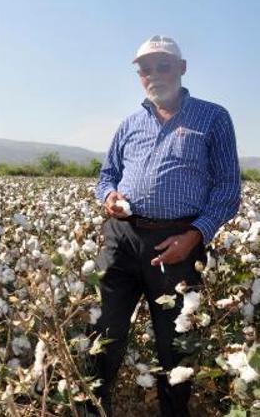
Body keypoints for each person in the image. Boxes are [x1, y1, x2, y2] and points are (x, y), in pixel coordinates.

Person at [93, 35, 241, 416]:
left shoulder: (213, 117)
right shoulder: (129, 123)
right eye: (146, 69)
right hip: (122, 238)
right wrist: (109, 198)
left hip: (178, 241)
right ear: (139, 75)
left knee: (174, 342)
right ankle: (94, 408)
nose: (154, 74)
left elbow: (227, 187)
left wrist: (195, 236)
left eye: (163, 66)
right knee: (105, 333)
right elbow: (106, 175)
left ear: (182, 68)